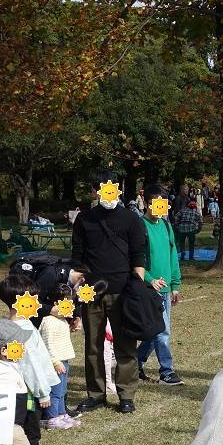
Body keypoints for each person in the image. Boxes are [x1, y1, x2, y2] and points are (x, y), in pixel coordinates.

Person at [71, 168, 148, 415]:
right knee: (92, 344)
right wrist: (78, 286)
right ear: (95, 191)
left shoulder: (131, 219)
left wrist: (136, 288)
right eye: (101, 187)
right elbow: (77, 256)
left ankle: (126, 394)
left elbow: (138, 256)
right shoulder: (84, 219)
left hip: (123, 290)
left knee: (125, 345)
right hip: (90, 291)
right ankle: (96, 394)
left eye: (110, 186)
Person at [0, 276, 67, 445]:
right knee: (30, 434)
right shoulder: (22, 331)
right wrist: (42, 392)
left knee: (21, 433)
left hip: (23, 391)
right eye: (34, 300)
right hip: (28, 394)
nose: (38, 304)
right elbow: (29, 367)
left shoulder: (17, 326)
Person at [137, 184, 184, 386]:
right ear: (146, 204)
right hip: (149, 289)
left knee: (154, 331)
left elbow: (173, 255)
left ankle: (135, 361)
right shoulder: (140, 226)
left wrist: (175, 284)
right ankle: (167, 371)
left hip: (165, 289)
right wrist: (150, 279)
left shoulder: (166, 226)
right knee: (162, 331)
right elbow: (135, 260)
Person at [0, 319, 44, 445]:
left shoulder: (8, 364)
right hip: (7, 421)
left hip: (11, 420)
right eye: (18, 345)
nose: (22, 348)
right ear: (4, 350)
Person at [39, 284, 81, 429]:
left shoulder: (61, 320)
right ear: (57, 304)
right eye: (68, 301)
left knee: (62, 390)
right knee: (55, 392)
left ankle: (62, 414)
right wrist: (55, 362)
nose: (71, 305)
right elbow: (47, 345)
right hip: (55, 362)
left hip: (64, 360)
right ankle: (52, 418)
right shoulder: (49, 322)